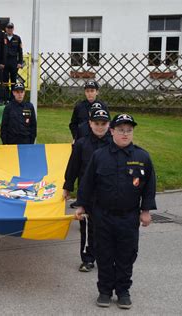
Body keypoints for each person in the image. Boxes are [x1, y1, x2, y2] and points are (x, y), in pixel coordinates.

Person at [75, 113, 156, 309]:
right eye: (121, 130)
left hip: (128, 217)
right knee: (104, 254)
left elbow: (149, 186)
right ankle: (104, 291)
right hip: (103, 215)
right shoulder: (99, 156)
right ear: (112, 131)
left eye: (129, 130)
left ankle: (123, 291)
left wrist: (145, 210)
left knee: (126, 255)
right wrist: (81, 205)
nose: (125, 134)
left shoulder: (142, 157)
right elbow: (87, 183)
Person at [63, 108, 112, 273]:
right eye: (96, 123)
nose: (100, 127)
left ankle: (106, 257)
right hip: (87, 193)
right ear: (90, 123)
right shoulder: (81, 144)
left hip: (108, 193)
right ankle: (88, 258)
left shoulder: (114, 143)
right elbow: (73, 167)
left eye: (103, 123)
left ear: (109, 125)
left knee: (106, 227)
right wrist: (67, 187)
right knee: (87, 228)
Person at [3, 23, 23, 101]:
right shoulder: (3, 37)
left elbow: (20, 52)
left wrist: (20, 62)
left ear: (13, 29)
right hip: (5, 61)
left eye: (11, 28)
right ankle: (5, 98)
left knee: (13, 80)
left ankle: (13, 98)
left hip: (13, 61)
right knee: (5, 81)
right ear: (6, 29)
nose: (10, 29)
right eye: (8, 28)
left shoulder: (17, 38)